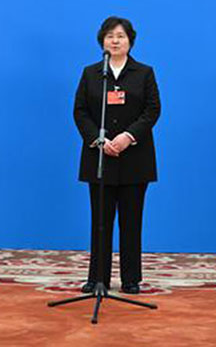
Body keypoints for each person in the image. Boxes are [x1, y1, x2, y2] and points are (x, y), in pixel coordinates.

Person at [74, 16, 161, 294]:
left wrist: (127, 137)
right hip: (99, 157)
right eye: (110, 36)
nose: (115, 41)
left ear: (130, 41)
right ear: (102, 41)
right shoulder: (91, 73)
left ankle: (130, 278)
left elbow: (152, 110)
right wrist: (98, 140)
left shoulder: (144, 73)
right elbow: (80, 111)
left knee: (131, 221)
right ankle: (97, 277)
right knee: (100, 222)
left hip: (135, 158)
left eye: (120, 36)